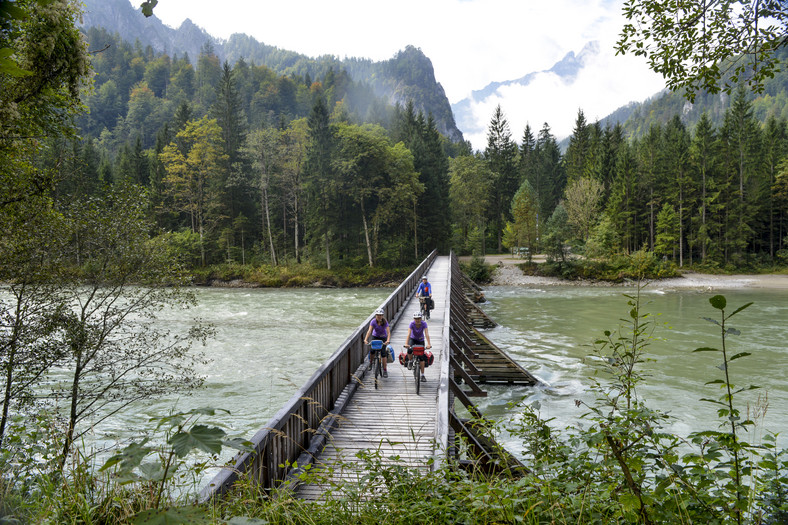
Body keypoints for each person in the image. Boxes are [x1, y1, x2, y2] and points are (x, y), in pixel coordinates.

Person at [364, 308, 391, 377]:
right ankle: (371, 363)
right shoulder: (373, 321)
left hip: (383, 337)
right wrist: (366, 339)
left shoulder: (385, 322)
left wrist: (387, 340)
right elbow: (369, 331)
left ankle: (385, 370)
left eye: (381, 315)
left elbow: (388, 332)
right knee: (372, 351)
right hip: (375, 336)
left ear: (382, 316)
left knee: (383, 353)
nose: (379, 316)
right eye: (378, 315)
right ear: (376, 315)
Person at [405, 311, 431, 381]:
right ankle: (410, 361)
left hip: (420, 340)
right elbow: (408, 334)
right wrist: (406, 343)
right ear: (414, 319)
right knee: (409, 350)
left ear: (421, 318)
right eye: (416, 319)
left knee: (421, 357)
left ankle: (422, 375)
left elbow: (426, 334)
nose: (417, 320)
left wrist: (429, 344)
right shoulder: (412, 324)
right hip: (413, 339)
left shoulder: (424, 323)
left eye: (419, 318)